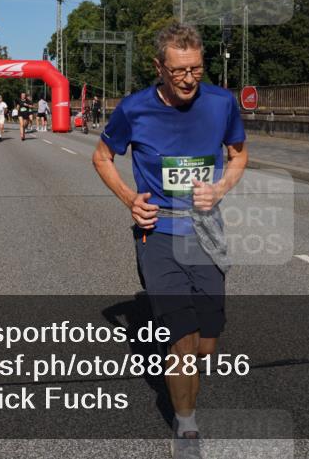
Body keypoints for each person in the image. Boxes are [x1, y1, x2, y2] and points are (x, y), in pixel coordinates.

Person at [91, 23, 247, 454]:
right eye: (178, 70)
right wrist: (129, 199)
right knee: (181, 334)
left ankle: (188, 374)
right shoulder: (134, 109)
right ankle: (186, 424)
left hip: (206, 230)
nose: (188, 79)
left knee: (207, 342)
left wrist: (219, 188)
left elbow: (238, 154)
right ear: (159, 67)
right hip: (157, 231)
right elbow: (102, 156)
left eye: (196, 69)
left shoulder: (221, 103)